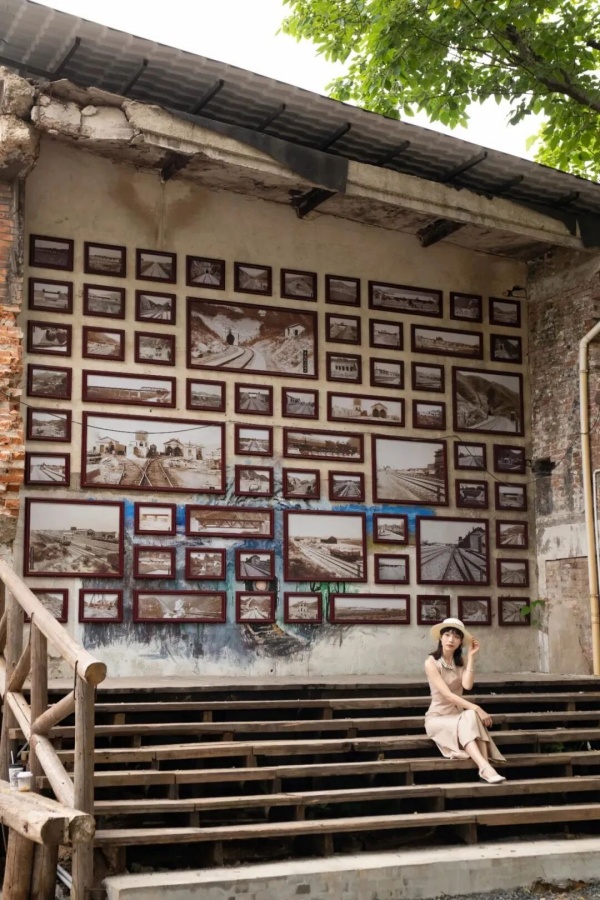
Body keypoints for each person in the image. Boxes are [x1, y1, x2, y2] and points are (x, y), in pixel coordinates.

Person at [424, 616, 506, 784]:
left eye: (456, 636)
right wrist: (477, 708)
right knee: (472, 714)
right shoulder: (431, 662)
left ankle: (485, 769)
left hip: (458, 717)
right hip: (438, 719)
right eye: (447, 635)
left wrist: (471, 657)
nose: (451, 640)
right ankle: (485, 767)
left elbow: (467, 686)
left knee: (470, 716)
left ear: (461, 641)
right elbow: (448, 695)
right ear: (440, 638)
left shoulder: (459, 664)